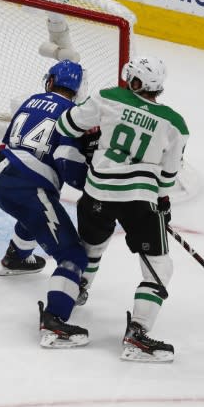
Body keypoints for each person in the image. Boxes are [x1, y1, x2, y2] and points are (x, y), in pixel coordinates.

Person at [55, 56, 189, 363]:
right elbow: (169, 175)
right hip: (139, 200)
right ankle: (137, 334)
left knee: (91, 247)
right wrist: (163, 201)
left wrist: (93, 133)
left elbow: (67, 124)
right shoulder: (175, 123)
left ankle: (75, 292)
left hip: (96, 192)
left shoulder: (107, 97)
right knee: (159, 268)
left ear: (136, 82)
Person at [0, 59, 94, 348]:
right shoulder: (74, 115)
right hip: (29, 188)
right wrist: (93, 184)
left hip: (0, 179)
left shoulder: (31, 101)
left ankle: (17, 257)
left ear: (50, 82)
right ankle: (55, 323)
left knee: (36, 216)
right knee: (73, 256)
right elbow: (68, 164)